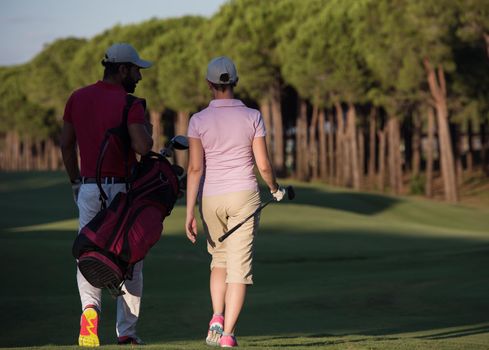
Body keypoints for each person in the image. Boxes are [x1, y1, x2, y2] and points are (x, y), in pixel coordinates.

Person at [185, 56, 286, 348]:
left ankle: (217, 315)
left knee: (219, 260)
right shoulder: (252, 116)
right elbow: (264, 165)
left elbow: (194, 169)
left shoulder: (197, 120)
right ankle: (227, 334)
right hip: (244, 196)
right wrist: (275, 188)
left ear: (209, 84)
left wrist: (189, 210)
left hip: (211, 198)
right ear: (236, 81)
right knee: (239, 268)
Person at [61, 43, 153, 347]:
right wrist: (147, 133)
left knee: (89, 250)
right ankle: (126, 331)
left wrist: (76, 181)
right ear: (122, 69)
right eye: (136, 69)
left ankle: (90, 309)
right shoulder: (132, 103)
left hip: (88, 187)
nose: (139, 76)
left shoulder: (77, 98)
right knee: (131, 257)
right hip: (122, 191)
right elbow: (142, 147)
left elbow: (66, 144)